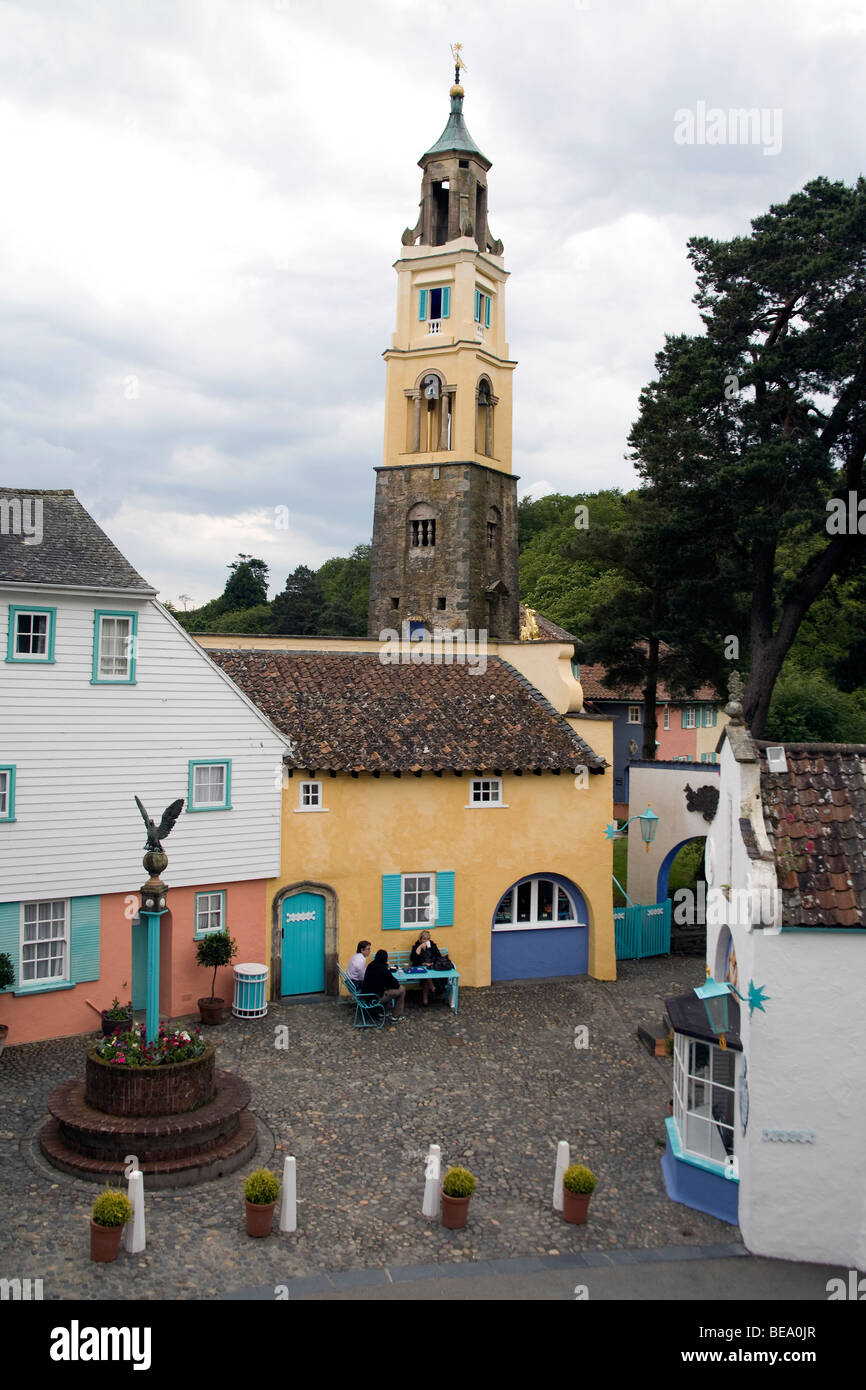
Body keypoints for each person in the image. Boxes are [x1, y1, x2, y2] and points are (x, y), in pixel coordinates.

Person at [363, 948, 406, 1021]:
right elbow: (396, 985)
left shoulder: (371, 964)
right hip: (375, 997)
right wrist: (386, 968)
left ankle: (383, 1012)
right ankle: (396, 1016)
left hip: (366, 994)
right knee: (402, 989)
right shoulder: (384, 970)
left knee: (387, 988)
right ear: (386, 959)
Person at [409, 929, 447, 1005]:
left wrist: (431, 963)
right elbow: (413, 959)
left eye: (427, 939)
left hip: (431, 966)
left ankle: (425, 999)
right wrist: (419, 948)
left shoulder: (432, 945)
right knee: (425, 973)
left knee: (427, 975)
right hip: (420, 966)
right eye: (424, 939)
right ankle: (431, 988)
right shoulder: (416, 946)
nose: (426, 941)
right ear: (420, 939)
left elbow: (438, 956)